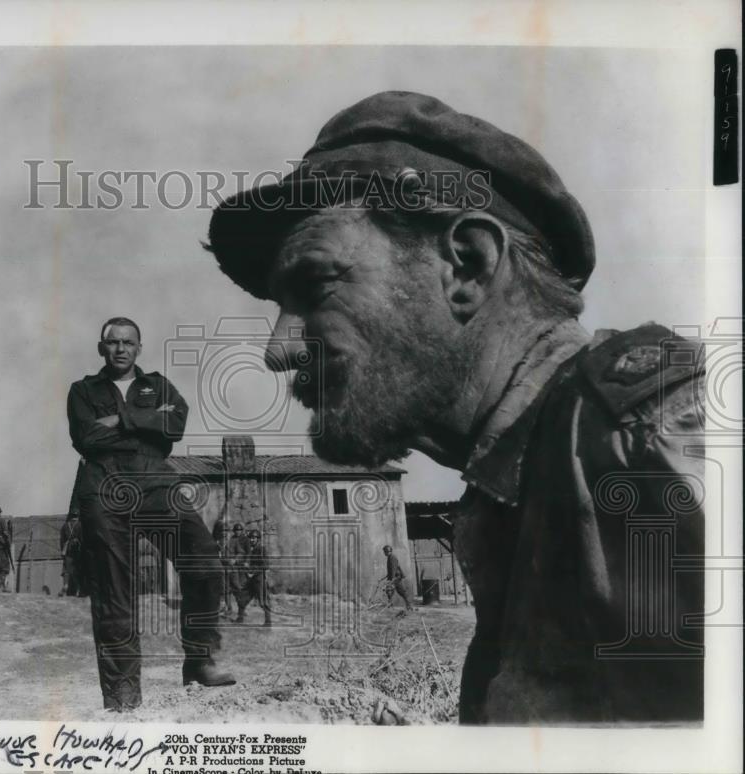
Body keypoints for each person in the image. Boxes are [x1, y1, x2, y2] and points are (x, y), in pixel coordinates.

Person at [206, 91, 704, 724]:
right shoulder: (518, 478)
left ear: (467, 266)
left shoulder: (646, 434)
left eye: (315, 285)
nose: (279, 350)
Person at [67, 316, 234, 711]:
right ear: (101, 348)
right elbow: (86, 436)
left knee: (204, 562)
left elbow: (175, 424)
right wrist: (146, 423)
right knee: (114, 593)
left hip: (155, 482)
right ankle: (123, 695)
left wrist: (120, 420)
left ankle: (199, 659)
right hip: (104, 486)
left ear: (139, 348)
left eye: (128, 342)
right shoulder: (82, 390)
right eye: (113, 342)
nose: (121, 348)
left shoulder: (157, 385)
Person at [235, 529, 272, 626]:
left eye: (254, 538)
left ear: (258, 539)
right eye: (251, 538)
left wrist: (253, 570)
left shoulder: (261, 549)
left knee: (263, 600)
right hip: (250, 579)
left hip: (259, 579)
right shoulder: (249, 550)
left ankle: (268, 622)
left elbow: (266, 565)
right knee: (242, 597)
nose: (252, 540)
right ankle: (240, 618)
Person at [59, 512, 86, 597]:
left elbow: (61, 540)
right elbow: (83, 539)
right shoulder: (81, 525)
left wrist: (62, 551)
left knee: (66, 569)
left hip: (68, 550)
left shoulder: (65, 526)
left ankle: (65, 585)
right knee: (78, 570)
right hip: (78, 551)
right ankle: (78, 590)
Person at [382, 545, 414, 613]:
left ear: (387, 551)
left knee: (400, 591)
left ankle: (409, 606)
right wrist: (385, 577)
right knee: (391, 591)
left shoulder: (392, 557)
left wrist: (392, 579)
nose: (384, 553)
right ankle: (391, 605)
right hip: (394, 577)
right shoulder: (390, 557)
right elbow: (391, 570)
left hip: (396, 577)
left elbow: (393, 569)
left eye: (384, 551)